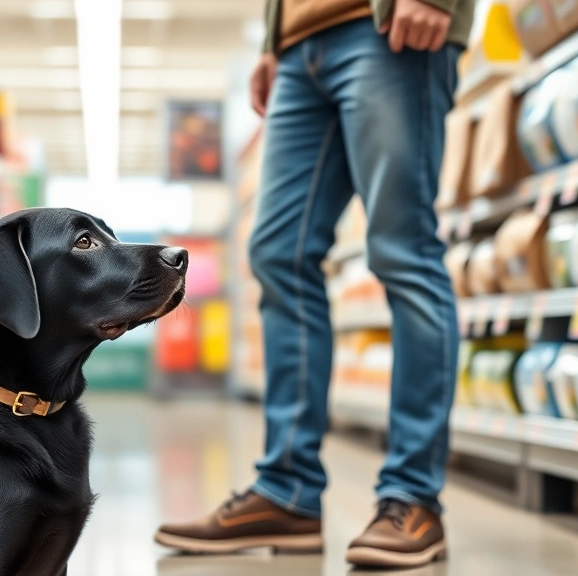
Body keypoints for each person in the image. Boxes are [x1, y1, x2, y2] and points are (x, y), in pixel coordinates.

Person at [155, 0, 474, 568]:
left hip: (384, 27)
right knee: (278, 253)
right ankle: (288, 492)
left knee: (404, 251)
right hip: (300, 47)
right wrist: (273, 41)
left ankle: (412, 496)